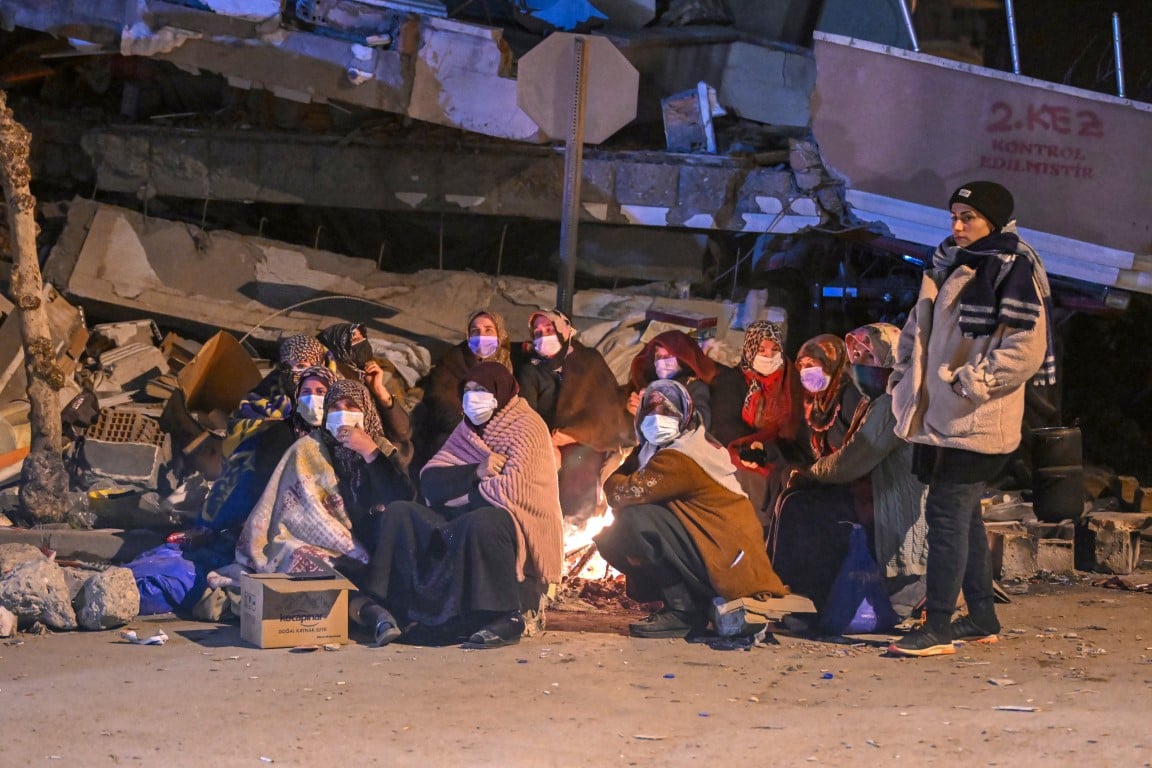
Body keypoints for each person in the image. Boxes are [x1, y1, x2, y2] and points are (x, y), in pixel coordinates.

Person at [887, 181, 1054, 657]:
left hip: (974, 417)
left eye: (969, 217)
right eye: (954, 216)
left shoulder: (1011, 269)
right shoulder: (947, 264)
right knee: (963, 520)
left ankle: (937, 624)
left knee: (945, 514)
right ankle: (981, 616)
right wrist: (902, 377)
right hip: (939, 414)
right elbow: (917, 330)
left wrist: (972, 382)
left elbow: (1026, 350)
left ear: (994, 222)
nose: (957, 226)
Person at [357, 362, 563, 649]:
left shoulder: (527, 427)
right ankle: (394, 608)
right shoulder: (467, 430)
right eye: (467, 391)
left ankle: (504, 616)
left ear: (500, 392)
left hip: (510, 527)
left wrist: (458, 494)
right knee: (402, 513)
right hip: (455, 528)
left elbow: (512, 492)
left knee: (481, 520)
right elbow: (430, 482)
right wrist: (475, 473)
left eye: (480, 390)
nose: (473, 397)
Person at [595, 379, 788, 639]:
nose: (657, 419)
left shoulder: (681, 456)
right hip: (716, 552)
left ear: (684, 415)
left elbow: (620, 493)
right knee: (619, 532)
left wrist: (620, 480)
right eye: (650, 412)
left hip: (728, 562)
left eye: (667, 412)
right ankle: (691, 603)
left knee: (634, 522)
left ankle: (684, 611)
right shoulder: (664, 448)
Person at [769, 323, 928, 619]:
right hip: (870, 491)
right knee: (794, 497)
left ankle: (803, 596)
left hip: (886, 503)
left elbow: (851, 460)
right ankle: (786, 588)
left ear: (891, 358)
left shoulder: (892, 403)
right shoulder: (874, 402)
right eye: (855, 357)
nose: (859, 365)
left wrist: (811, 474)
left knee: (799, 505)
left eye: (869, 357)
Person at [235, 378, 415, 575]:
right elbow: (293, 511)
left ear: (366, 410)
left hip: (375, 542)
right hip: (320, 541)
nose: (342, 413)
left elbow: (403, 499)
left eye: (351, 406)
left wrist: (370, 453)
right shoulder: (308, 448)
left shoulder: (381, 447)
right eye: (335, 407)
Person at [515, 308, 635, 526]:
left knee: (581, 465)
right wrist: (545, 442)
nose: (544, 336)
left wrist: (574, 435)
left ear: (564, 329)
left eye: (549, 329)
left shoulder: (588, 360)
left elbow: (604, 408)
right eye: (538, 333)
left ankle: (575, 524)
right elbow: (527, 413)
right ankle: (544, 526)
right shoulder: (531, 371)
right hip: (546, 439)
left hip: (587, 438)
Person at [198, 365, 341, 538]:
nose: (312, 399)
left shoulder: (342, 435)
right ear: (297, 396)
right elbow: (254, 484)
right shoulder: (282, 433)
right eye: (305, 392)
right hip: (288, 521)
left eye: (320, 391)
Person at [717, 320, 805, 522]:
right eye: (761, 349)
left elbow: (797, 430)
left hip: (780, 460)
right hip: (743, 461)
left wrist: (771, 451)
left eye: (775, 350)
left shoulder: (792, 380)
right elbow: (724, 424)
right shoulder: (733, 380)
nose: (769, 356)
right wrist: (751, 446)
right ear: (749, 349)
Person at [411, 309, 513, 474]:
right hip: (461, 430)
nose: (482, 337)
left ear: (499, 333)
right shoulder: (456, 359)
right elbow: (440, 398)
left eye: (488, 330)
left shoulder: (509, 360)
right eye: (475, 331)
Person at [626, 330, 717, 430]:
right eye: (659, 357)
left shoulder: (693, 386)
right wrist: (632, 408)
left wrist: (661, 411)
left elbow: (701, 425)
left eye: (668, 356)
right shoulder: (650, 386)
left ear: (682, 359)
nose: (662, 362)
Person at [795, 333, 861, 462]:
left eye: (811, 364)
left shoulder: (850, 396)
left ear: (831, 362)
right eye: (801, 365)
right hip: (827, 474)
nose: (804, 371)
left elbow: (860, 453)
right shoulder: (815, 401)